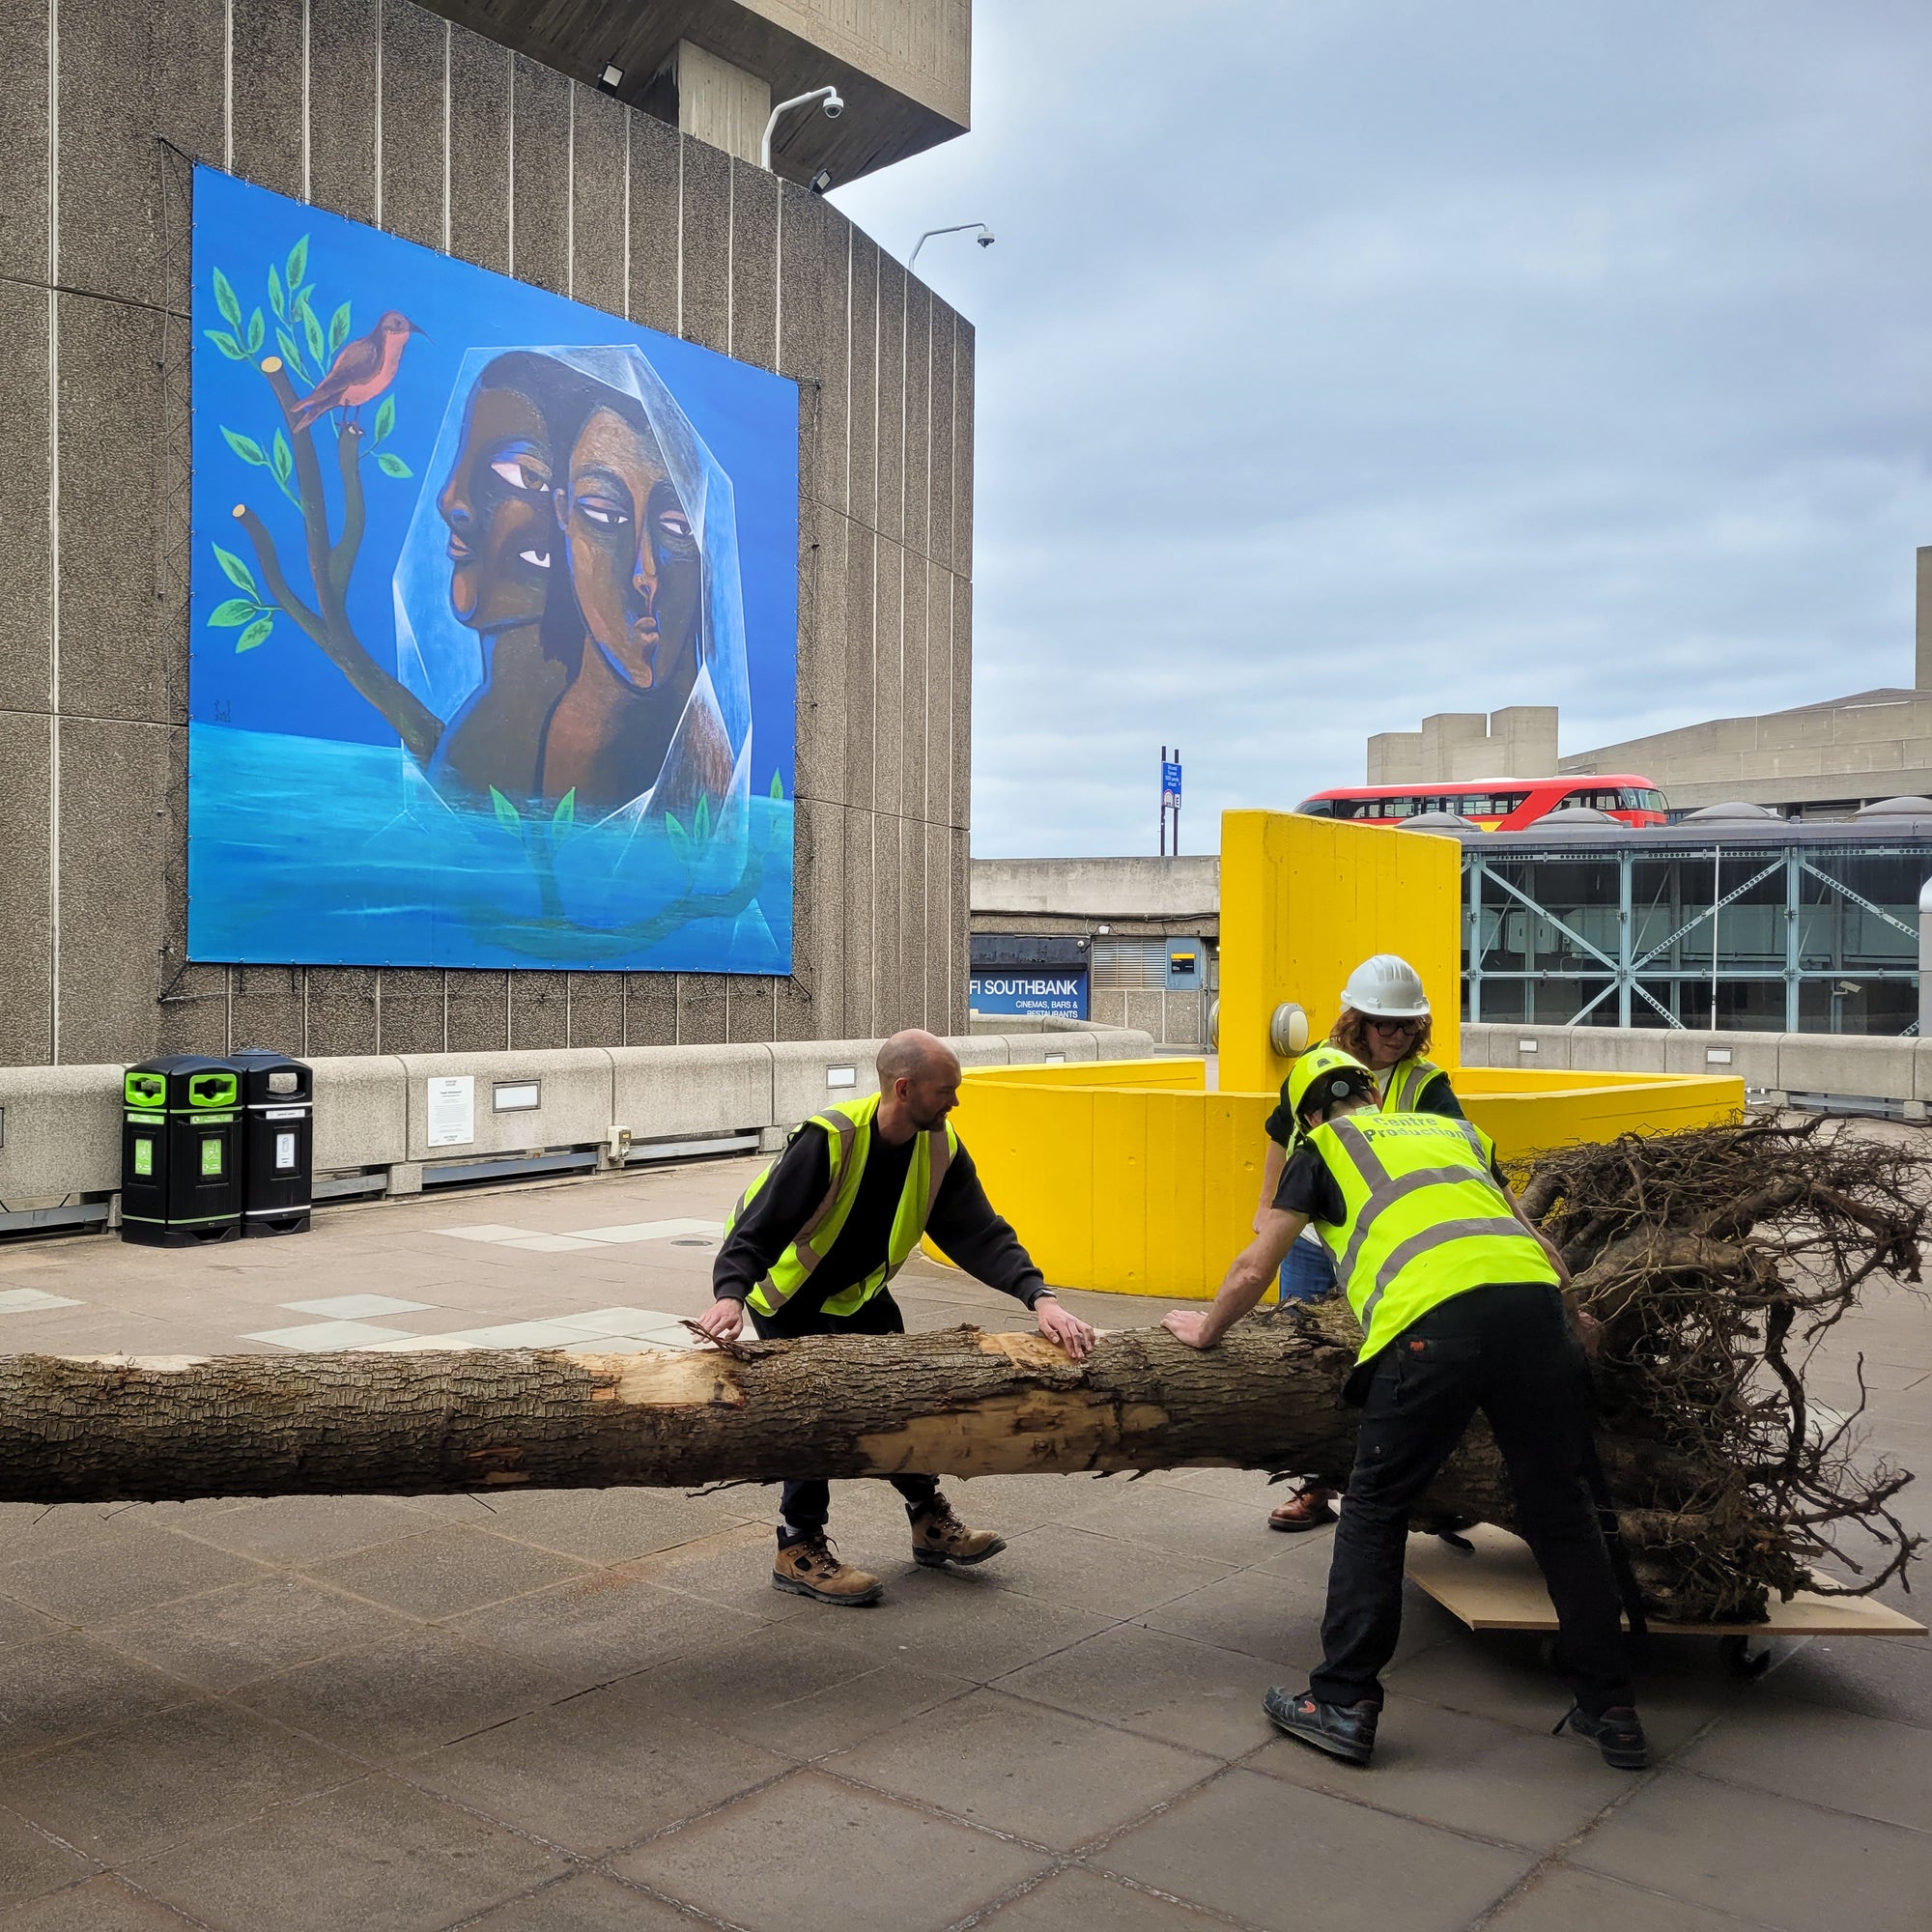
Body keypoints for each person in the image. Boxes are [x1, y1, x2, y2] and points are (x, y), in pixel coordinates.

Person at [1164, 1045, 1646, 1772]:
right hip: (1536, 1320)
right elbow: (1539, 1242)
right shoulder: (1452, 1134)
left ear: (1310, 1115)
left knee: (1376, 1507)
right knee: (1561, 1511)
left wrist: (1206, 1330)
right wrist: (1573, 1320)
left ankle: (1345, 1701)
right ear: (1371, 1095)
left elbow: (1254, 1264)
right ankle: (1611, 1707)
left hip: (1432, 1332)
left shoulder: (1321, 1146)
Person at [695, 1029, 1098, 1606]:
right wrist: (730, 1294)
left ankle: (929, 1521)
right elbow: (759, 1226)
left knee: (907, 1399)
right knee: (813, 1414)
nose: (955, 1102)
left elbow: (978, 1231)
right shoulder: (830, 1138)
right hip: (789, 1297)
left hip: (859, 1294)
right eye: (946, 1091)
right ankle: (798, 1545)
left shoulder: (939, 1145)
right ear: (904, 1089)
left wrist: (1041, 1298)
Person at [1259, 954, 1466, 1533]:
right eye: (1384, 1024)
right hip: (1308, 1236)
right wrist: (1265, 1208)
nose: (1397, 1035)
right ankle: (1314, 1489)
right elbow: (1282, 1134)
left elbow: (1455, 1155)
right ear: (1358, 1020)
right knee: (1304, 1358)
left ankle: (1415, 1487)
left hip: (1378, 1246)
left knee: (1391, 1364)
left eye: (1406, 1025)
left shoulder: (1427, 1085)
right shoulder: (1315, 1069)